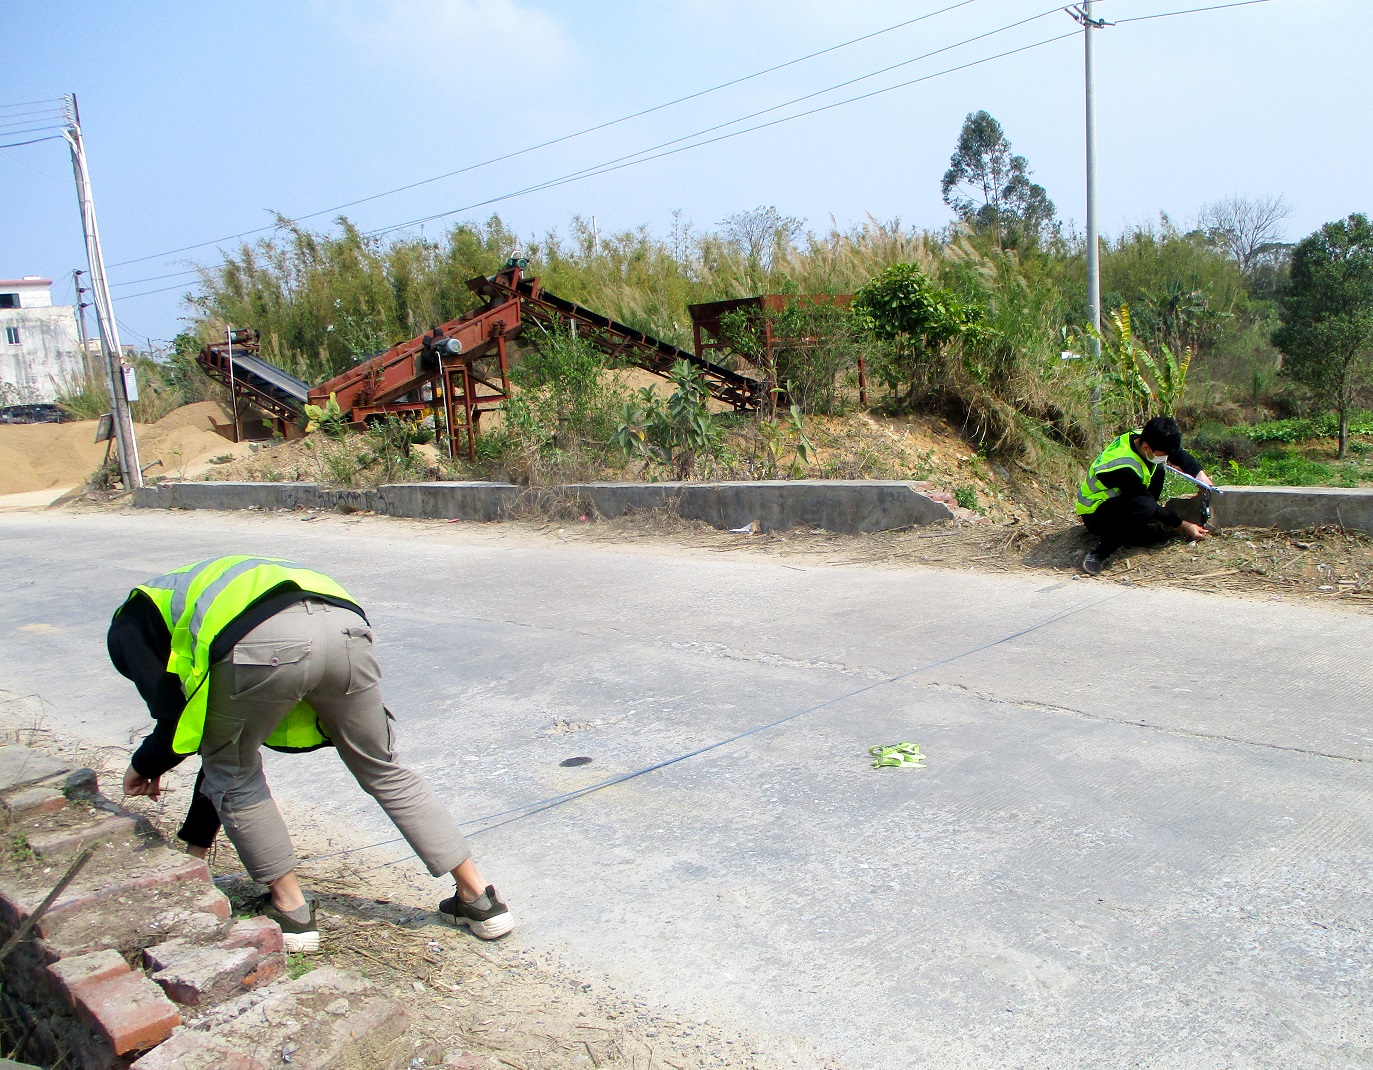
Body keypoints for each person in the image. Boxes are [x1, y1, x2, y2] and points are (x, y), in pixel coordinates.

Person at [107, 555, 513, 951]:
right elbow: (205, 734)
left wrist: (144, 765)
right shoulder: (199, 584)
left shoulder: (128, 626)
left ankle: (292, 911)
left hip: (263, 641)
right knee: (384, 768)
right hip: (346, 628)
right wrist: (194, 850)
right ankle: (479, 899)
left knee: (234, 773)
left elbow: (177, 720)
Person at [1076, 416, 1213, 575]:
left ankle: (1138, 528)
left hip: (1119, 501)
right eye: (1163, 454)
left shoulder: (1143, 437)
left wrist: (1199, 475)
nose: (1166, 458)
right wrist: (1184, 524)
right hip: (1096, 514)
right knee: (1145, 507)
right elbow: (1146, 501)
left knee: (1158, 469)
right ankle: (1099, 554)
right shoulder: (1122, 465)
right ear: (1147, 446)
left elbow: (1178, 455)